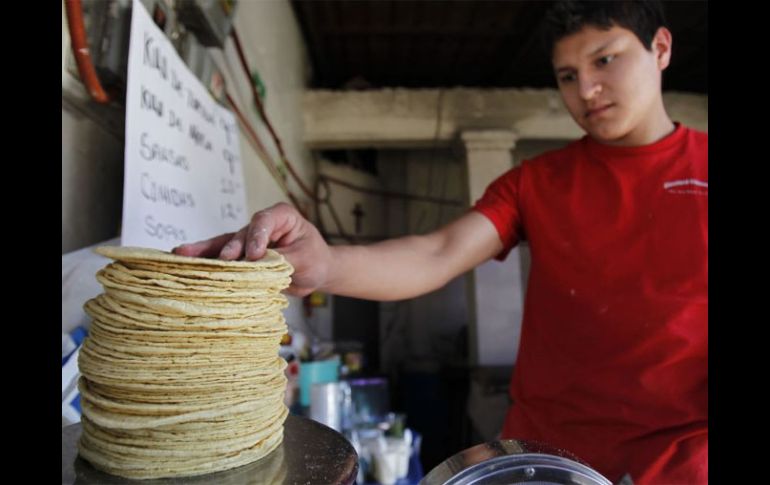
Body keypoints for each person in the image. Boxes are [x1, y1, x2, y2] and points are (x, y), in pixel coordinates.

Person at [174, 1, 707, 482]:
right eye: (568, 75)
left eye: (605, 60)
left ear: (660, 48)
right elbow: (437, 253)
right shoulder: (536, 182)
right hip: (547, 460)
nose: (585, 90)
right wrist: (325, 263)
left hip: (685, 459)